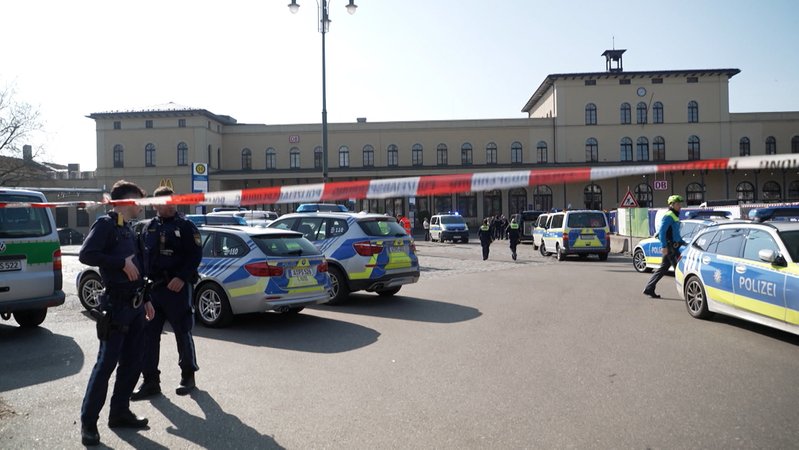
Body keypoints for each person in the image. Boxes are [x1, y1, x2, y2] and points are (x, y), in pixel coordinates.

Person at [79, 180, 155, 446]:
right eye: (137, 200)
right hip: (115, 306)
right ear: (122, 201)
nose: (140, 206)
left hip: (135, 307)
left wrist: (146, 298)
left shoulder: (130, 230)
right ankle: (89, 423)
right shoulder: (106, 225)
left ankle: (120, 412)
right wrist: (119, 263)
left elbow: (141, 268)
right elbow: (86, 254)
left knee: (133, 363)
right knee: (105, 366)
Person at [131, 186, 203, 400]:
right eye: (163, 201)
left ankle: (188, 376)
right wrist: (142, 289)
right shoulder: (147, 228)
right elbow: (141, 259)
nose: (168, 205)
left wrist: (182, 277)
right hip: (154, 290)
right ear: (155, 204)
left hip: (177, 289)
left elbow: (195, 256)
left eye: (172, 201)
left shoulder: (187, 227)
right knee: (149, 336)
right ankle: (151, 381)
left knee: (183, 332)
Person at [643, 195, 687, 299]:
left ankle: (649, 288)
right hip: (670, 247)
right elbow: (662, 232)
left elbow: (675, 233)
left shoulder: (674, 215)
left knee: (663, 268)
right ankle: (688, 294)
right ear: (672, 205)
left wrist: (683, 242)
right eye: (678, 204)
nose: (680, 206)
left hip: (674, 246)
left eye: (680, 204)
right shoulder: (669, 215)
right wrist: (664, 246)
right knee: (680, 269)